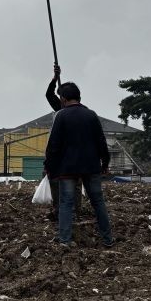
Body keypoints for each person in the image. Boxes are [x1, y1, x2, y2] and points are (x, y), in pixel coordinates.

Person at [44, 82, 113, 247]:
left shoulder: (61, 116)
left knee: (66, 203)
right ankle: (107, 239)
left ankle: (65, 240)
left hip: (67, 168)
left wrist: (49, 167)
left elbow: (53, 145)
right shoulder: (91, 115)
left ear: (63, 98)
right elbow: (101, 142)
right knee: (97, 201)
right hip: (91, 166)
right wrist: (105, 162)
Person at [43, 64, 81, 219]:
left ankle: (73, 211)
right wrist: (54, 78)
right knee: (58, 181)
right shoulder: (61, 108)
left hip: (67, 152)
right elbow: (48, 94)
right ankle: (60, 210)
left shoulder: (76, 112)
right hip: (63, 152)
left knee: (72, 182)